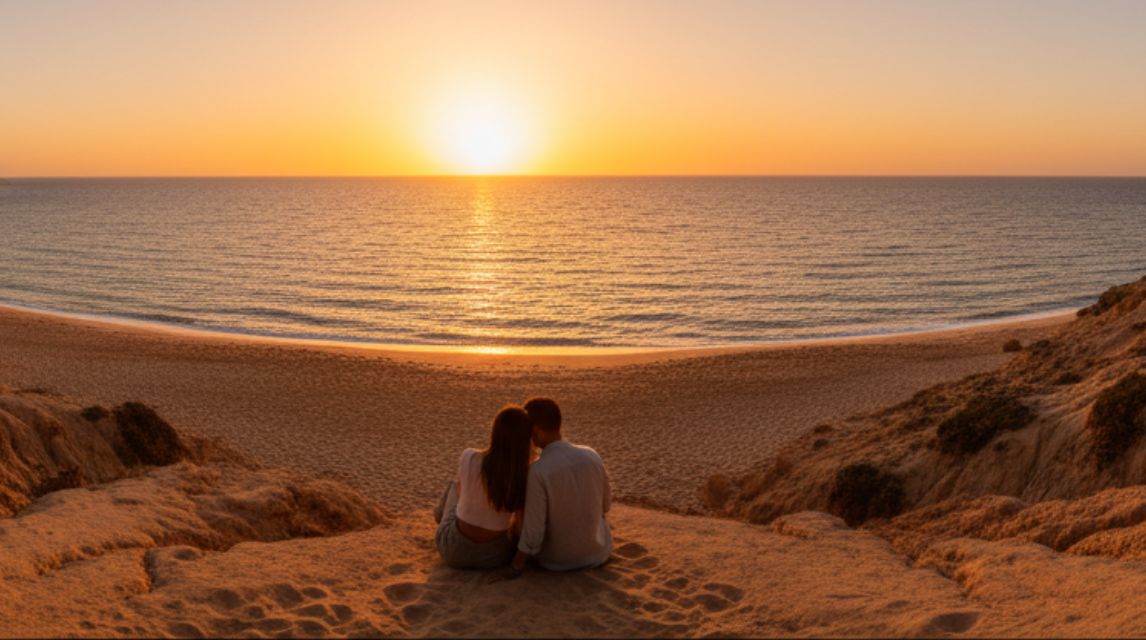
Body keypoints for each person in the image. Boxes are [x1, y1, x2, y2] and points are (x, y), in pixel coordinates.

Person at [499, 397, 612, 579]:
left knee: (519, 518)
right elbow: (605, 506)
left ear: (535, 430)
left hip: (556, 561)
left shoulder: (537, 471)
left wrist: (516, 565)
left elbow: (533, 534)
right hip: (598, 553)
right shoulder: (592, 455)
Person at [434, 405, 534, 569]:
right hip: (495, 557)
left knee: (454, 486)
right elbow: (521, 524)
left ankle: (438, 515)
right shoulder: (525, 474)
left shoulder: (470, 457)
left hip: (454, 551)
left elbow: (461, 493)